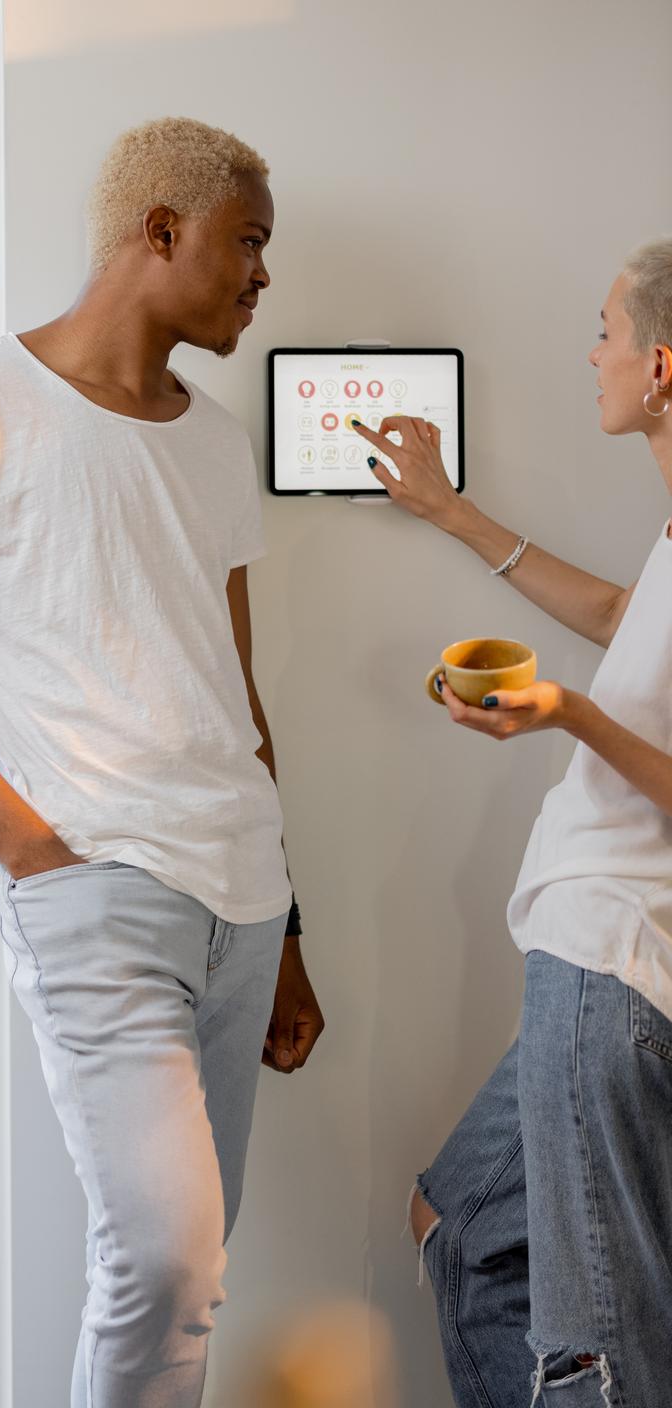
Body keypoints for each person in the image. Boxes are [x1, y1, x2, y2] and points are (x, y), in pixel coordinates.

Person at [0, 116, 324, 1408]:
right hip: (95, 891)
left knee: (192, 1273)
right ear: (158, 232)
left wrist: (288, 933)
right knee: (163, 1263)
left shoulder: (217, 443)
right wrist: (31, 850)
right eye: (248, 243)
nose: (262, 276)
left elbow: (237, 697)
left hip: (242, 897)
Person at [351, 239, 672, 1406]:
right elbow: (617, 612)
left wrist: (569, 714)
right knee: (463, 1224)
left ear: (662, 365)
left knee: (597, 1351)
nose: (592, 354)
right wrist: (451, 514)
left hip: (615, 970)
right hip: (585, 965)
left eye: (605, 330)